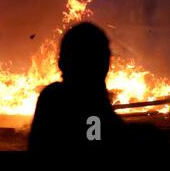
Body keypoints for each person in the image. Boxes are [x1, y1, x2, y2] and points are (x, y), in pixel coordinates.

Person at [28, 22, 165, 151]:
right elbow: (98, 137)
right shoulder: (87, 103)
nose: (106, 67)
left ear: (61, 63)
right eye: (101, 59)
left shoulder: (50, 96)